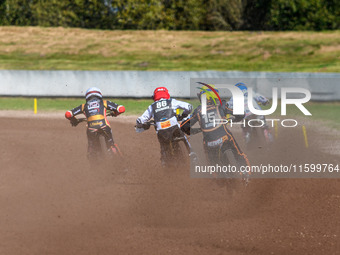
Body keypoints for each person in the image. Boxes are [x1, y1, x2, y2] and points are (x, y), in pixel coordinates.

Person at [180, 84, 250, 181]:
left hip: (209, 144)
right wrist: (232, 120)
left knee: (212, 163)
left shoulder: (198, 111)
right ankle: (246, 172)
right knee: (238, 153)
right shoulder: (221, 105)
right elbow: (241, 114)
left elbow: (184, 126)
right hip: (225, 137)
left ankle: (217, 176)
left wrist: (195, 131)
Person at [136, 87, 193, 167]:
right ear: (167, 94)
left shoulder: (152, 106)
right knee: (183, 136)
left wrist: (140, 125)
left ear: (154, 97)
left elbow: (140, 120)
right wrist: (183, 114)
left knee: (163, 145)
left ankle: (164, 163)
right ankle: (191, 153)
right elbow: (189, 107)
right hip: (174, 128)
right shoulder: (172, 101)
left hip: (162, 131)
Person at [65, 87, 125, 159]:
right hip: (104, 126)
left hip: (91, 129)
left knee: (92, 147)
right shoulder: (104, 103)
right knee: (111, 145)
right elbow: (121, 109)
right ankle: (122, 165)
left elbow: (68, 114)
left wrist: (74, 120)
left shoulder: (83, 106)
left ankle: (94, 165)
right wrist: (115, 113)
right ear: (99, 95)